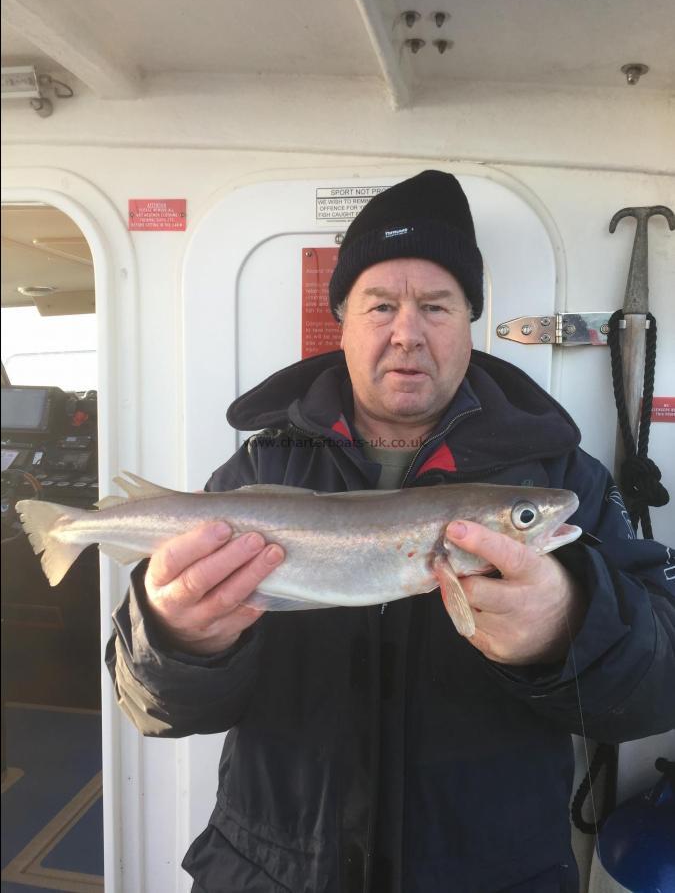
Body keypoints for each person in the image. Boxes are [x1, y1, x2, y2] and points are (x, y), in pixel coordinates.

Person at [106, 171, 675, 893]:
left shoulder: (563, 476)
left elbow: (659, 690)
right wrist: (178, 638)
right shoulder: (258, 470)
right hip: (268, 873)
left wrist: (565, 628)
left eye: (436, 306)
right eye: (380, 305)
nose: (407, 332)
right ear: (341, 321)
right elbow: (153, 708)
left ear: (468, 320)